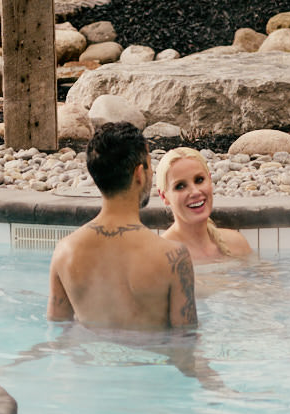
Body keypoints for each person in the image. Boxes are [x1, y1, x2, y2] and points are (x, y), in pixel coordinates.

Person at [48, 122, 198, 331]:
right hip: (149, 361)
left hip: (91, 360)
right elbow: (185, 342)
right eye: (149, 165)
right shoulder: (172, 257)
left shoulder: (64, 251)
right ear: (139, 173)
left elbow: (58, 331)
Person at [156, 148, 253, 265]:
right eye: (180, 186)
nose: (195, 192)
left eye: (199, 180)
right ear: (163, 196)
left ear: (210, 180)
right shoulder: (159, 257)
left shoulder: (236, 244)